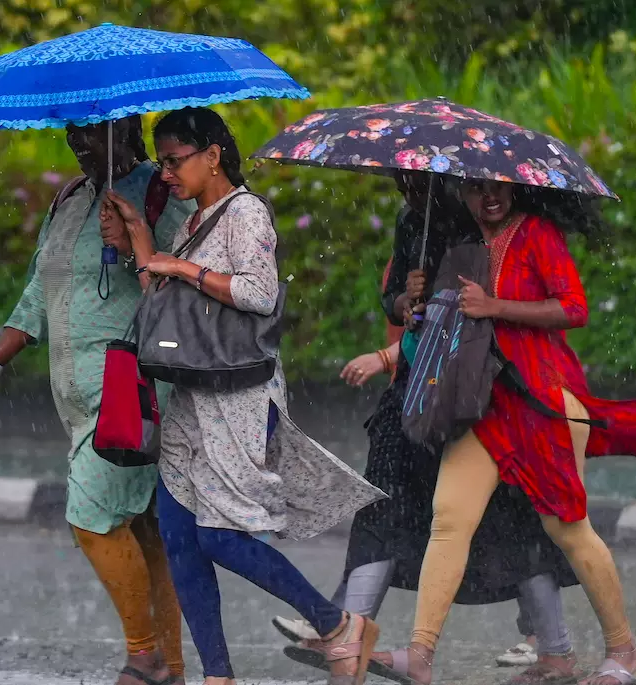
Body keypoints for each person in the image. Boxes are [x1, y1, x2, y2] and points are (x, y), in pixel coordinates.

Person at [100, 106, 386, 685]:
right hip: (189, 395)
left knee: (219, 535)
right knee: (180, 538)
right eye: (163, 162)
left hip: (237, 396)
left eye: (176, 160)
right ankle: (218, 676)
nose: (168, 173)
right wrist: (137, 236)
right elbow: (168, 297)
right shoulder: (192, 221)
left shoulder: (246, 213)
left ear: (213, 155)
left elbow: (257, 294)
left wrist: (179, 266)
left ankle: (336, 625)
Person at [274, 173, 584, 685]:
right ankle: (352, 635)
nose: (406, 188)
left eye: (417, 180)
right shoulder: (410, 217)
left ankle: (554, 647)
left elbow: (501, 308)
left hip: (480, 391)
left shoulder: (489, 222)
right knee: (385, 505)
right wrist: (405, 302)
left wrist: (448, 298)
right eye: (400, 179)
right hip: (417, 388)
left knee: (511, 515)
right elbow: (399, 302)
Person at [371, 178, 636, 685]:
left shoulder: (538, 234)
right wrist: (416, 302)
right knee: (448, 518)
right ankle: (420, 656)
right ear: (462, 194)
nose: (490, 198)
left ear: (515, 188)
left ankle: (624, 651)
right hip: (484, 407)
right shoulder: (460, 244)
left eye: (499, 188)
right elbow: (448, 326)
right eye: (476, 189)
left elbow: (573, 308)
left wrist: (496, 307)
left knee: (567, 528)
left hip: (544, 402)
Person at [0, 115, 194, 685]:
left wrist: (135, 237)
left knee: (92, 517)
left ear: (127, 132)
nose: (79, 144)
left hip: (132, 390)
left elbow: (186, 281)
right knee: (145, 534)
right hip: (77, 398)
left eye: (92, 133)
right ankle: (172, 670)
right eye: (74, 135)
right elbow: (40, 291)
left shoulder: (163, 193)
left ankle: (143, 658)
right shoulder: (70, 198)